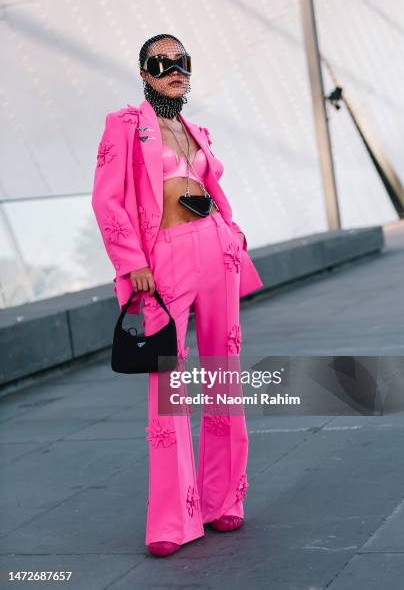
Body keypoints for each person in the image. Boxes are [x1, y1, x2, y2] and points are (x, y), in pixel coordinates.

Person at [91, 33, 264, 557]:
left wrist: (232, 231)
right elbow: (106, 201)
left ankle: (223, 501)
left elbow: (208, 191)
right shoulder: (125, 126)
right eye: (160, 62)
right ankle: (174, 520)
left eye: (181, 61)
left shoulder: (194, 128)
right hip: (164, 259)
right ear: (144, 72)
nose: (174, 69)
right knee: (168, 385)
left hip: (217, 253)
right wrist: (132, 263)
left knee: (222, 373)